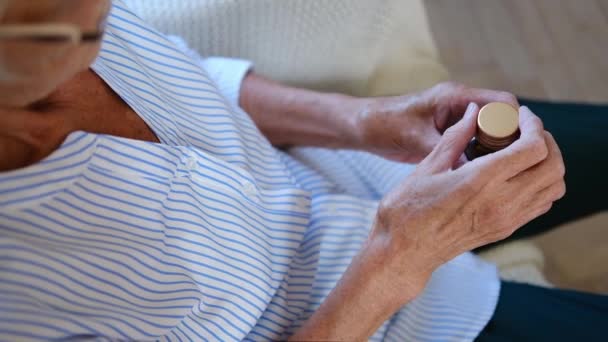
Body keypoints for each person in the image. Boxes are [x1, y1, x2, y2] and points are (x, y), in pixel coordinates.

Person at [0, 0, 606, 341]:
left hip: (348, 175)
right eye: (77, 26)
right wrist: (398, 255)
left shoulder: (67, 23)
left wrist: (362, 120)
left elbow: (182, 74)